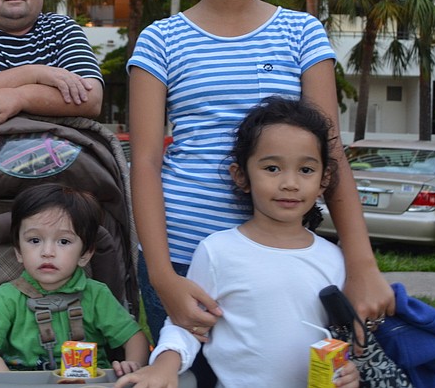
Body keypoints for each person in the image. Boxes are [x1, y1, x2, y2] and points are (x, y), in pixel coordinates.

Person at [127, 0, 394, 384]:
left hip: (280, 259)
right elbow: (145, 161)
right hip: (183, 257)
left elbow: (330, 152)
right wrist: (162, 277)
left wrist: (360, 263)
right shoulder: (160, 40)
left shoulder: (301, 32)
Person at [115, 97, 360, 388]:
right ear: (241, 176)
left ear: (324, 179)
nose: (290, 183)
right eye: (272, 168)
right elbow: (187, 326)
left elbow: (344, 337)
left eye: (305, 170)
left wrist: (349, 372)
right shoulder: (218, 252)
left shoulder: (334, 259)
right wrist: (164, 367)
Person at [0, 183, 149, 376]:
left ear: (85, 255)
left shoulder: (96, 295)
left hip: (89, 380)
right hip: (23, 381)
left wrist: (132, 365)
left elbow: (135, 338)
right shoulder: (8, 297)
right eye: (35, 240)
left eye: (64, 241)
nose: (47, 252)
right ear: (19, 251)